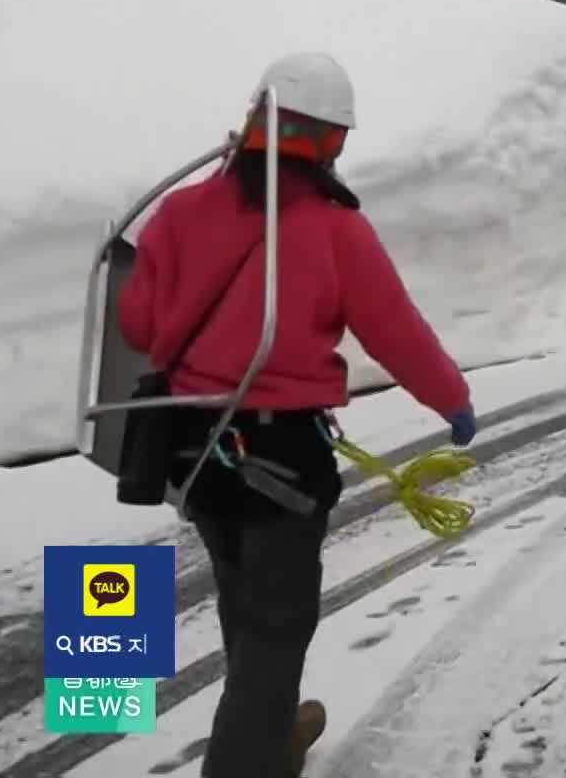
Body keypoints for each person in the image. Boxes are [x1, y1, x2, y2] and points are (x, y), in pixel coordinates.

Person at [117, 51, 477, 777]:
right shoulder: (336, 229)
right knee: (278, 630)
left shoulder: (180, 211)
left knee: (245, 603)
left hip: (191, 453)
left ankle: (274, 734)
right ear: (334, 143)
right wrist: (452, 400)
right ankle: (249, 752)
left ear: (255, 120)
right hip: (282, 461)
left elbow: (137, 325)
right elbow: (394, 328)